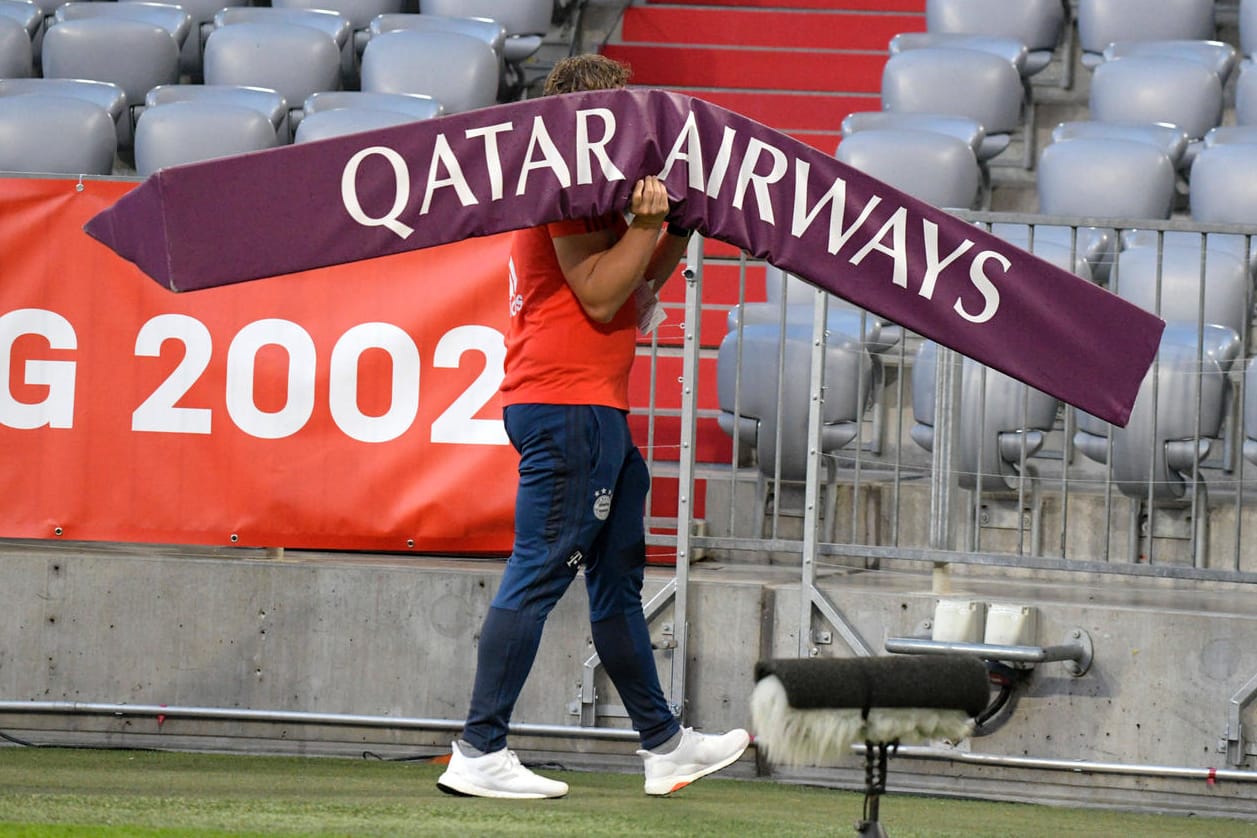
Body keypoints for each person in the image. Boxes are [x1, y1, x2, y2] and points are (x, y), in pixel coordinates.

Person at [436, 54, 750, 800]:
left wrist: (670, 223)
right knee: (540, 568)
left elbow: (637, 280)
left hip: (592, 406)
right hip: (566, 405)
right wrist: (646, 225)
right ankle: (478, 750)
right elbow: (602, 296)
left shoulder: (591, 190)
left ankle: (664, 745)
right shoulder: (561, 187)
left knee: (616, 584)